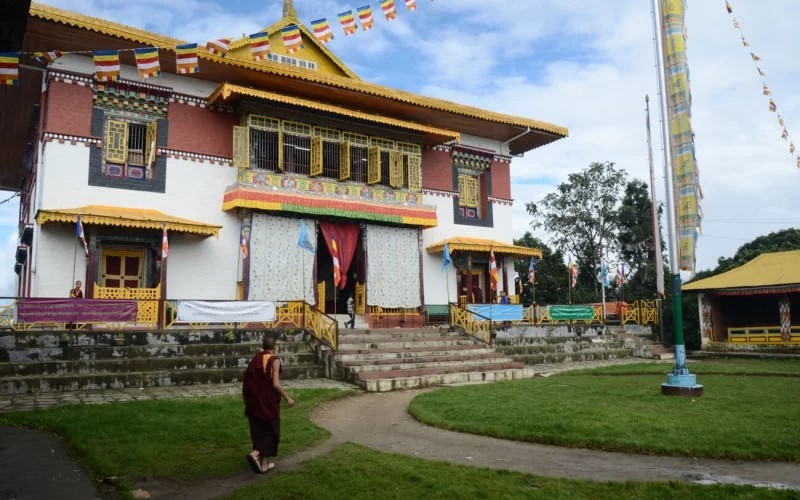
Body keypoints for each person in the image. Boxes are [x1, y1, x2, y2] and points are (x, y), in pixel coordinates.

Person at [242, 335, 294, 474]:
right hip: (267, 403)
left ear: (263, 346)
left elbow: (247, 381)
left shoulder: (256, 359)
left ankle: (264, 464)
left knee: (259, 432)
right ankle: (256, 453)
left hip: (254, 403)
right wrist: (288, 398)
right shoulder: (274, 360)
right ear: (274, 347)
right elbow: (276, 384)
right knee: (273, 433)